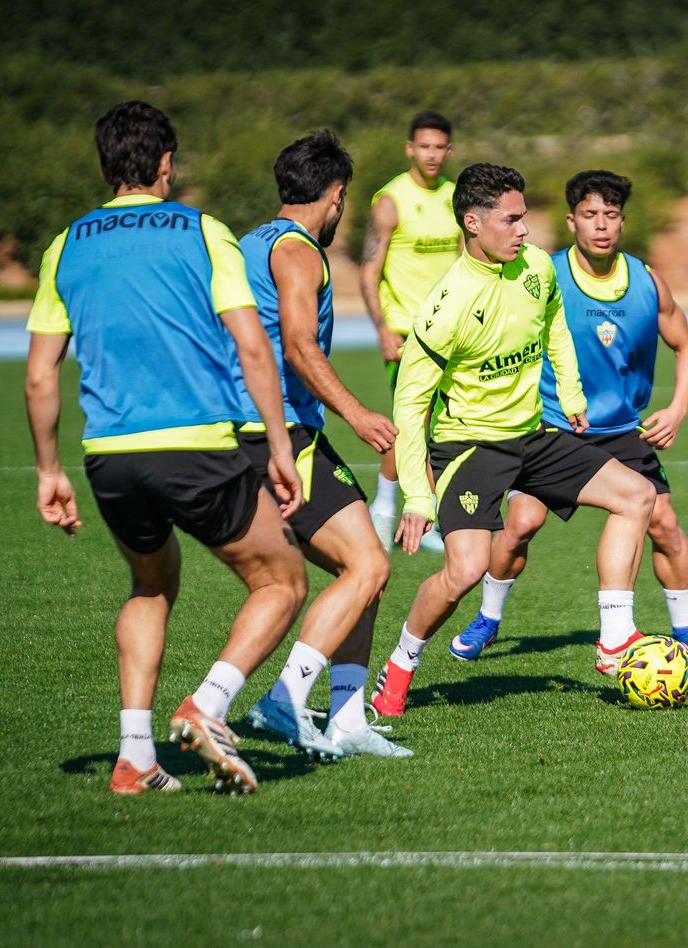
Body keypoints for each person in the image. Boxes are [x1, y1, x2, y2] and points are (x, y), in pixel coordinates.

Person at [25, 101, 308, 793]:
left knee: (150, 583)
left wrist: (49, 471)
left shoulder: (66, 244)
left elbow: (39, 375)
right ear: (165, 164)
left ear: (103, 166)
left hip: (110, 458)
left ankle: (134, 757)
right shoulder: (201, 232)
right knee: (282, 580)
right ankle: (207, 706)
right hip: (197, 449)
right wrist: (276, 442)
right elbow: (251, 346)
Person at [376, 162, 656, 717]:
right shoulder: (446, 306)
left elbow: (552, 320)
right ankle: (401, 663)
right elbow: (409, 404)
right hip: (469, 447)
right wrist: (416, 494)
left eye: (524, 218)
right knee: (464, 570)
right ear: (473, 224)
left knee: (638, 495)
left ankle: (614, 640)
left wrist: (571, 394)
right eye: (511, 220)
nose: (524, 231)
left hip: (533, 434)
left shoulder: (533, 267)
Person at [447, 169, 688, 660]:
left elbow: (687, 346)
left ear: (622, 222)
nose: (601, 225)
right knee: (521, 524)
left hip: (624, 431)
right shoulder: (541, 273)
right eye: (590, 215)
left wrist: (677, 409)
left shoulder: (646, 281)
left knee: (664, 524)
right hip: (555, 427)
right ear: (571, 221)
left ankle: (686, 630)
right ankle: (487, 618)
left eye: (611, 215)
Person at [228, 131, 412, 760]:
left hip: (249, 429)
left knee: (363, 574)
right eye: (344, 200)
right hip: (282, 434)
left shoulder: (247, 242)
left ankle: (346, 718)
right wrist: (359, 413)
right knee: (369, 565)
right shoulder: (301, 251)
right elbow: (300, 346)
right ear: (334, 196)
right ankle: (284, 701)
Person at [359, 110, 461, 554]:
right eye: (425, 146)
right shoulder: (390, 200)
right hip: (404, 331)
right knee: (412, 421)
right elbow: (368, 272)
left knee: (443, 425)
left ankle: (427, 514)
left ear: (449, 150)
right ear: (410, 149)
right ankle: (383, 508)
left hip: (449, 332)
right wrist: (382, 329)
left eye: (440, 147)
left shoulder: (457, 198)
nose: (432, 155)